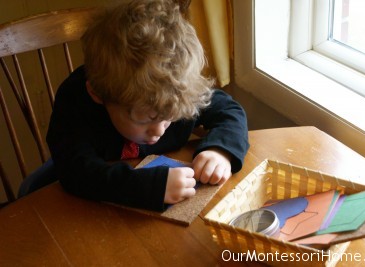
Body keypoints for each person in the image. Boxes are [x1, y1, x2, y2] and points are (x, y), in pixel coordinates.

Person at [19, 0, 249, 211]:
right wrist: (148, 187)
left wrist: (220, 150)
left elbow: (230, 111)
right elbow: (76, 173)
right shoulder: (76, 102)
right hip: (75, 196)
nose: (160, 130)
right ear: (99, 95)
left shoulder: (176, 89)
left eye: (170, 116)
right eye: (147, 119)